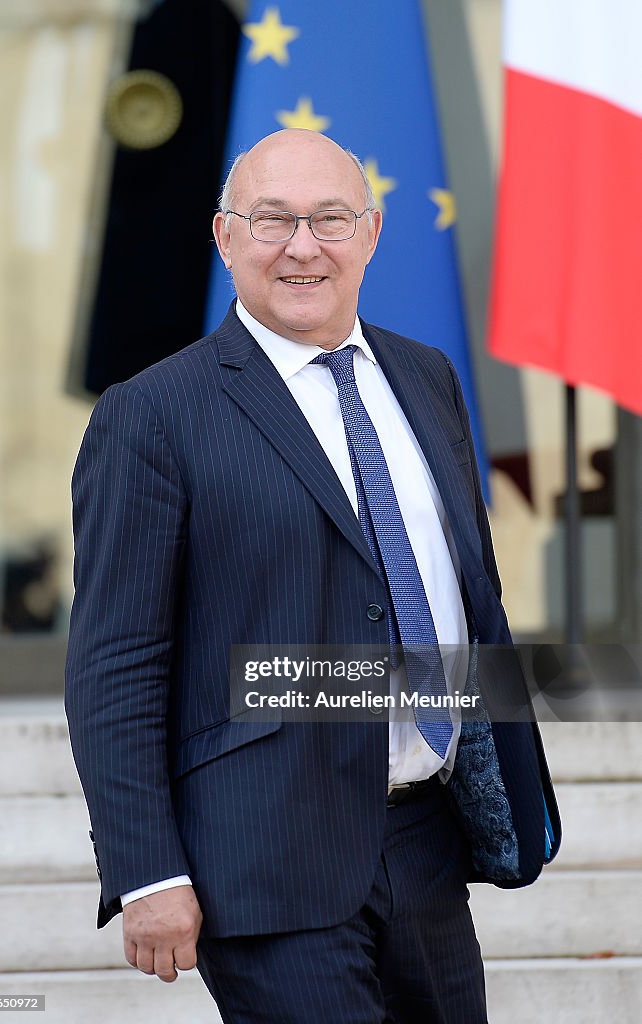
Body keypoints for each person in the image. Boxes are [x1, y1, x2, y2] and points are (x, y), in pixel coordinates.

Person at [65, 128, 560, 1023]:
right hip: (262, 857)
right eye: (273, 220)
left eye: (331, 219)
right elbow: (115, 664)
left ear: (371, 233)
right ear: (224, 238)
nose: (304, 246)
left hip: (426, 842)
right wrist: (146, 869)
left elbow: (461, 595)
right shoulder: (151, 415)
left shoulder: (428, 377)